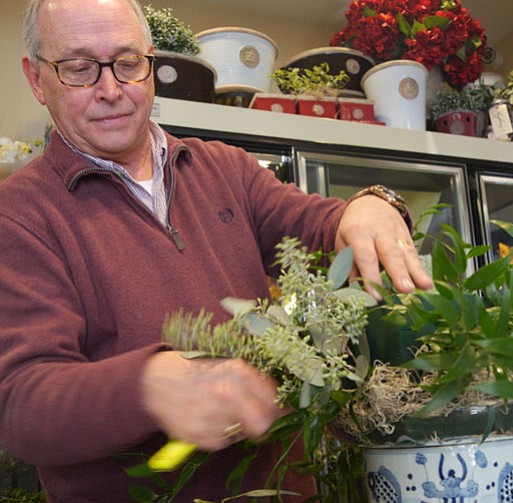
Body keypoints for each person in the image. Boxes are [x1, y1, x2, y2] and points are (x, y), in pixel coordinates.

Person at [0, 0, 433, 501]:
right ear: (36, 80)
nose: (111, 89)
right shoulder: (20, 214)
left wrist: (370, 207)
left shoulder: (224, 169)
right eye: (79, 69)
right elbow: (19, 404)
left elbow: (322, 231)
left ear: (152, 64)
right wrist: (146, 385)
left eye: (127, 63)